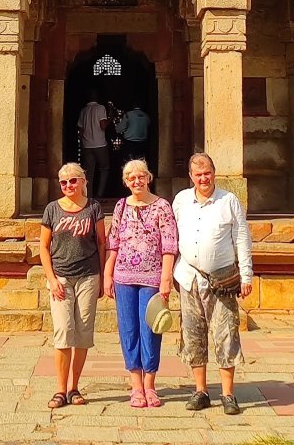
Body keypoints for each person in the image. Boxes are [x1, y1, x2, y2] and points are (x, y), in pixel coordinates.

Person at [171, 152, 253, 416]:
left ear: (214, 173)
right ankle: (201, 390)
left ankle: (228, 394)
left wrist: (246, 275)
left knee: (226, 334)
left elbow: (242, 238)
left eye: (207, 173)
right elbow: (171, 237)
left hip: (222, 279)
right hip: (188, 276)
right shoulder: (182, 200)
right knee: (193, 335)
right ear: (191, 177)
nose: (203, 178)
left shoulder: (228, 201)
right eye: (198, 174)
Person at [104, 157, 178, 409]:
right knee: (128, 330)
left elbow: (169, 245)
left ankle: (150, 384)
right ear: (126, 182)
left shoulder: (162, 207)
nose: (137, 180)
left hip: (152, 277)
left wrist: (166, 278)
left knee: (151, 329)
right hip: (123, 277)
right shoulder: (121, 206)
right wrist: (107, 274)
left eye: (141, 176)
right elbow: (113, 242)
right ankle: (136, 385)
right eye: (131, 177)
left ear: (149, 178)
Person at [39, 161, 108, 410]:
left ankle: (74, 387)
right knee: (63, 332)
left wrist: (102, 276)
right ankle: (60, 388)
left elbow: (101, 242)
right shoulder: (52, 209)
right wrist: (51, 278)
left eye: (73, 180)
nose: (68, 185)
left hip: (88, 276)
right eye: (64, 182)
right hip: (61, 278)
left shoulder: (93, 208)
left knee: (82, 333)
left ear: (82, 181)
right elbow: (43, 247)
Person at [78, 91, 111, 199]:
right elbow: (103, 125)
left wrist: (82, 144)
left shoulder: (84, 110)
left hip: (87, 145)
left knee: (89, 172)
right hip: (100, 144)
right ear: (97, 97)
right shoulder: (100, 108)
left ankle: (88, 196)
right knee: (104, 168)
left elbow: (81, 130)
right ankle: (100, 194)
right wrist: (109, 119)